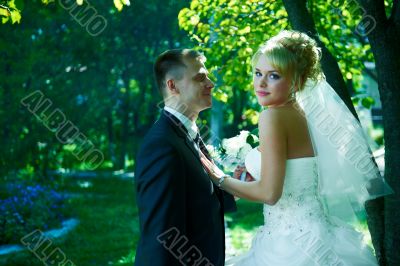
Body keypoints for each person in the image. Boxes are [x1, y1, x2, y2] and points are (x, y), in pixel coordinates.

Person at [200, 31, 392, 265]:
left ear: (297, 81)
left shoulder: (272, 118)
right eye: (258, 73)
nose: (260, 83)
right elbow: (291, 170)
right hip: (318, 233)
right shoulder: (305, 115)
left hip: (289, 243)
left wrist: (220, 178)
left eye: (274, 76)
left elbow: (270, 194)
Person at [134, 49, 236, 266]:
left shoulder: (187, 132)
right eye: (200, 77)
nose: (210, 84)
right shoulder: (162, 145)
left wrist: (235, 186)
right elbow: (162, 235)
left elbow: (195, 200)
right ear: (173, 86)